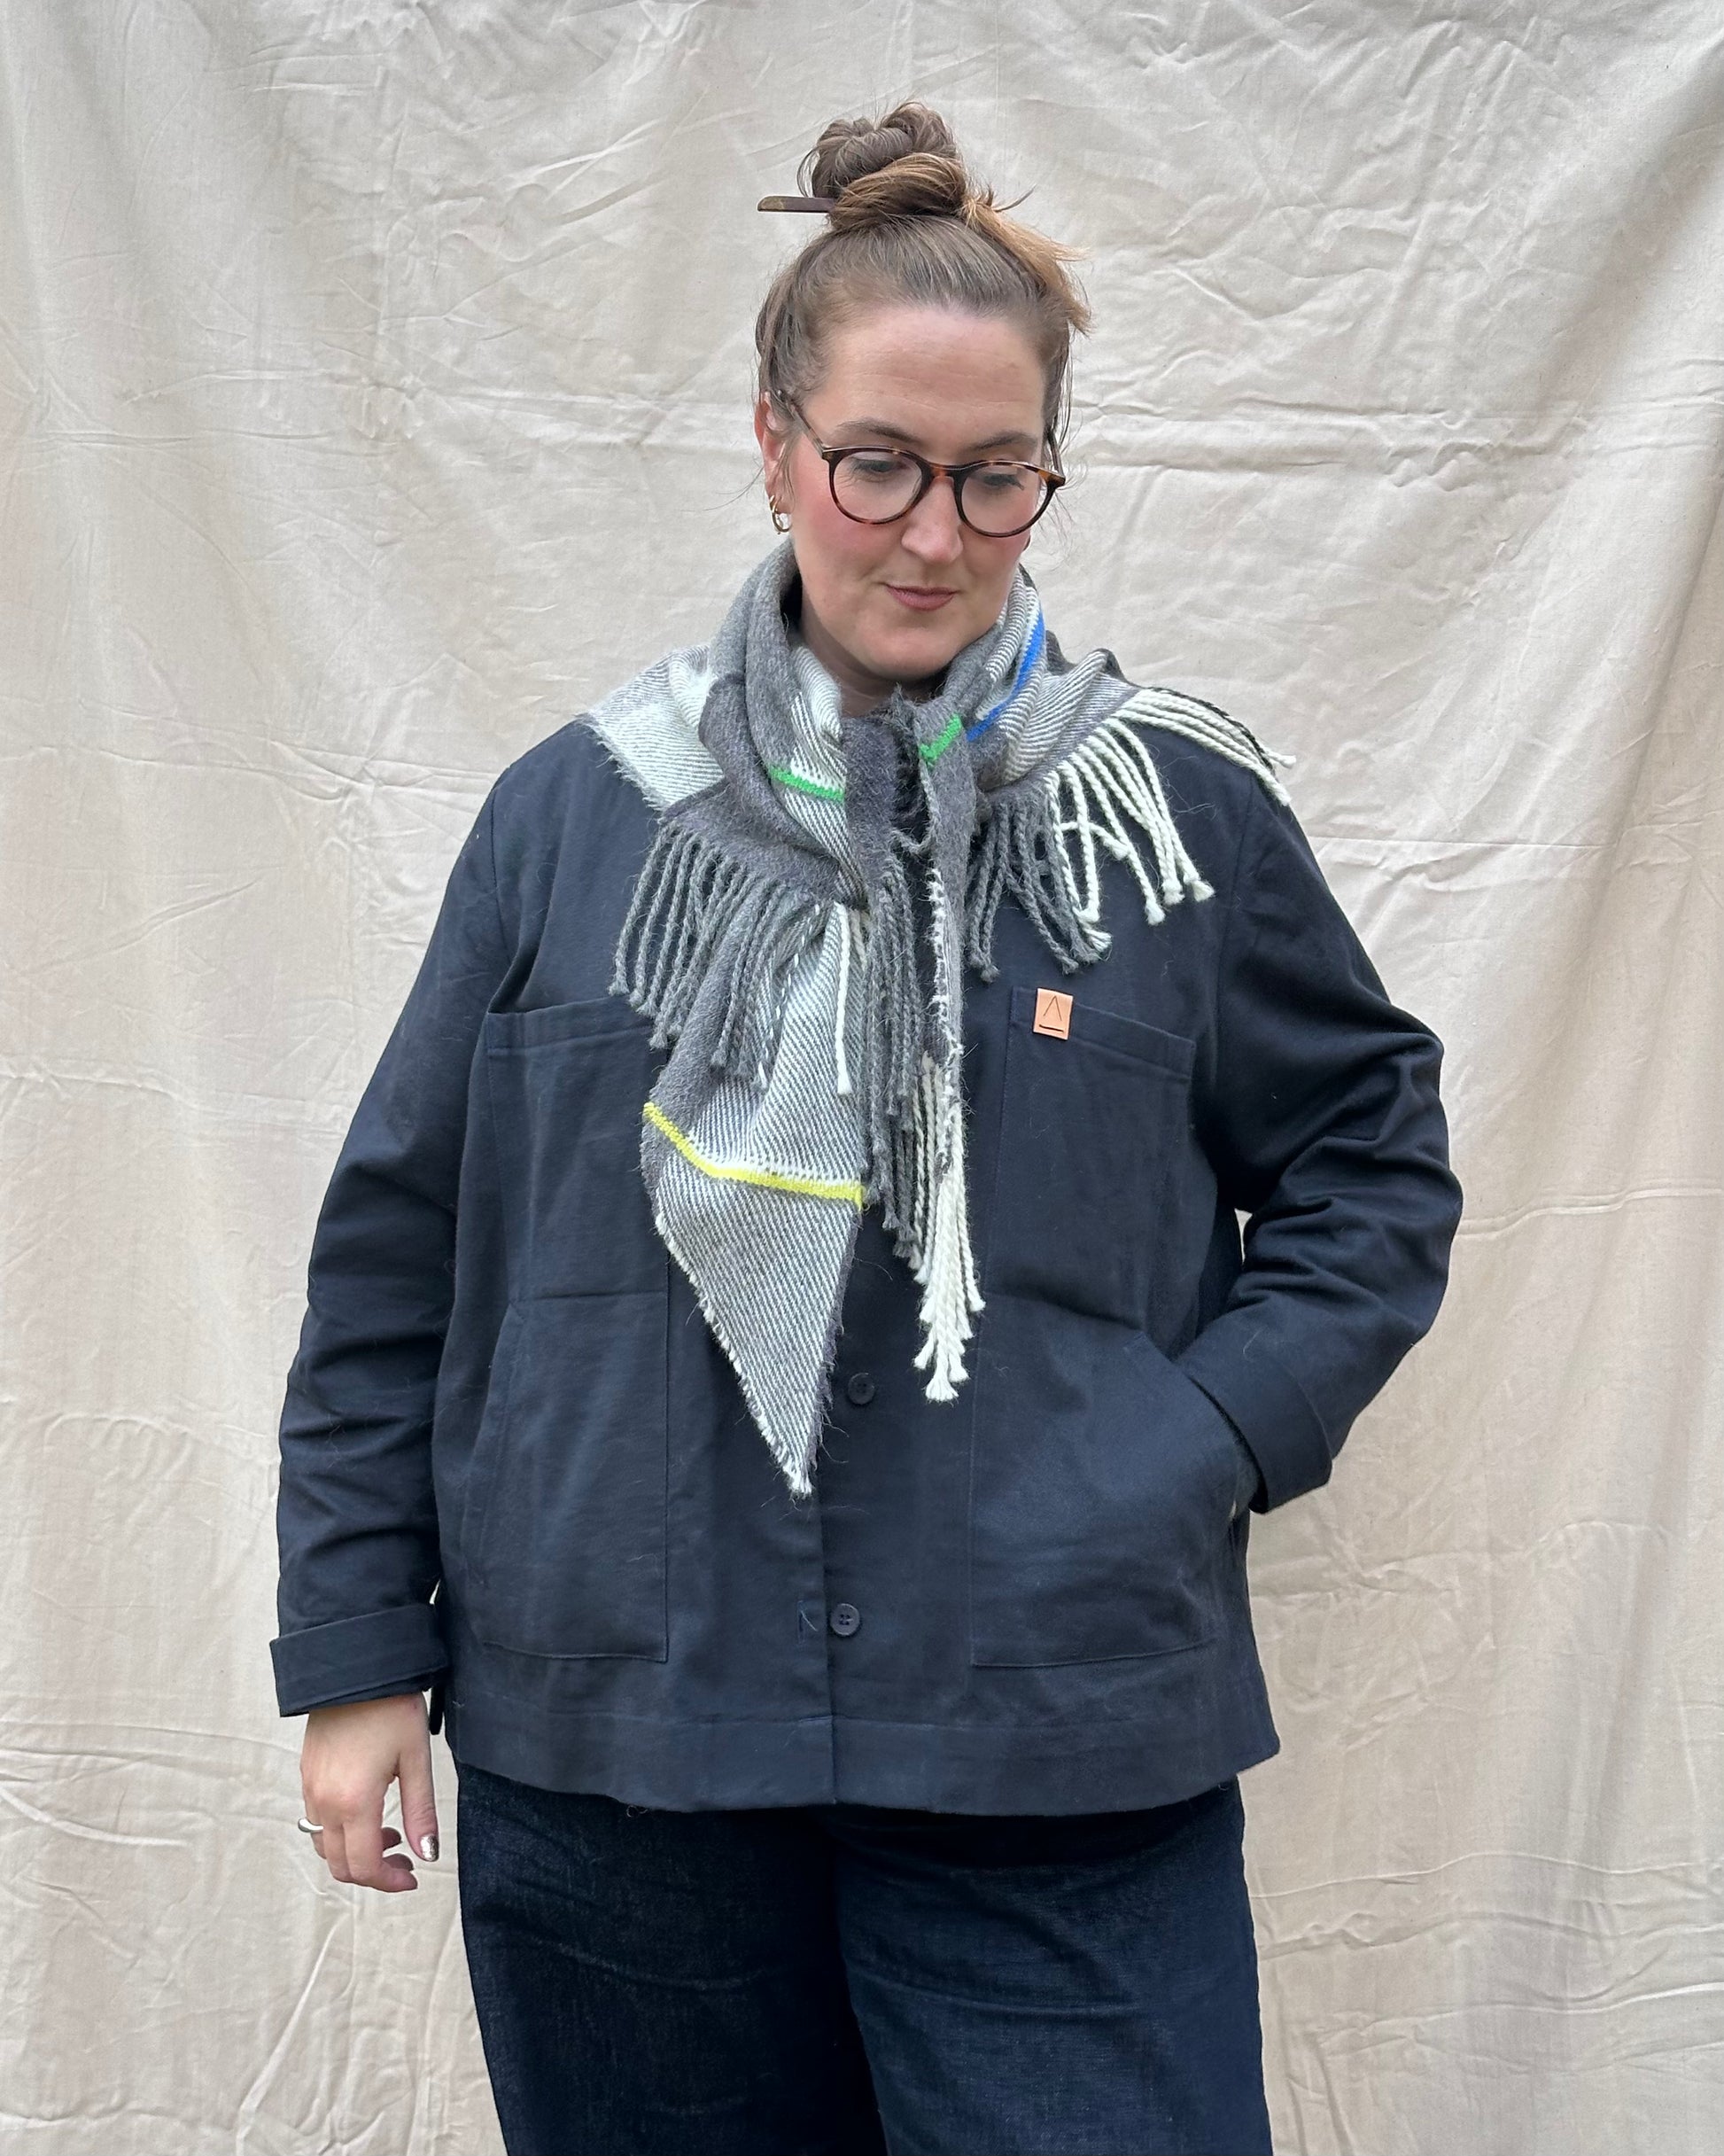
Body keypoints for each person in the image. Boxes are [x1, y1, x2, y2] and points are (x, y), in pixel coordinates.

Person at [271, 102, 1464, 2156]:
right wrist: (358, 1644)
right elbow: (406, 1244)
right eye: (879, 465)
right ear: (772, 444)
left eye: (996, 478)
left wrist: (1185, 1446)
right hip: (615, 1752)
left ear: (1044, 477)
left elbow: (1372, 1158)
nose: (931, 533)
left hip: (1056, 1742)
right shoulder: (573, 817)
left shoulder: (1170, 821)